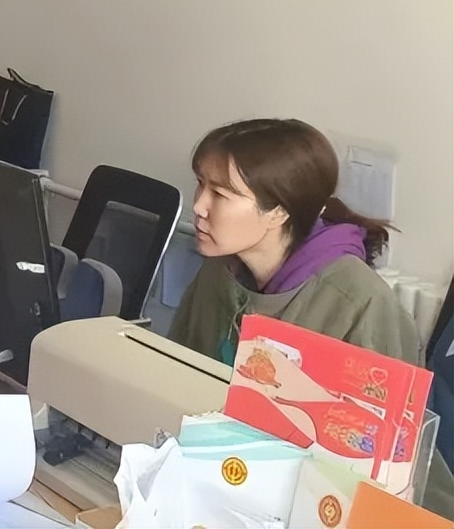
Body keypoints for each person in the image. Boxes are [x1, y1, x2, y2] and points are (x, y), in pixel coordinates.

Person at [169, 118, 419, 366]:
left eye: (219, 194)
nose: (198, 206)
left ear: (279, 212)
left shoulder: (360, 301)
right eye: (200, 184)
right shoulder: (218, 269)